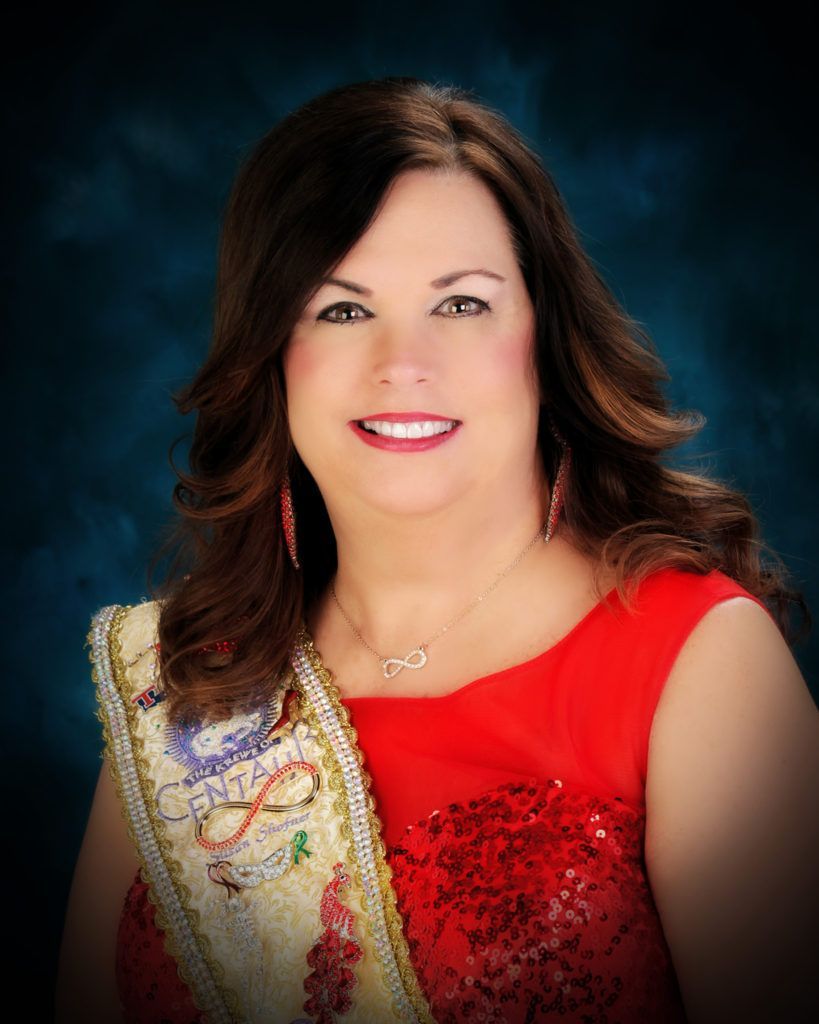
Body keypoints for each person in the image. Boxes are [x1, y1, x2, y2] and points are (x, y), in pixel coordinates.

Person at [56, 77, 819, 1024]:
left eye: (460, 305)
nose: (401, 361)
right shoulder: (184, 687)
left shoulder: (698, 661)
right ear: (270, 357)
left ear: (542, 339)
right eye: (339, 310)